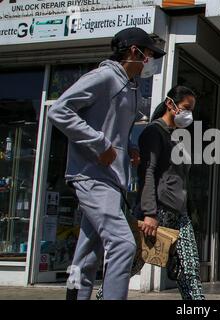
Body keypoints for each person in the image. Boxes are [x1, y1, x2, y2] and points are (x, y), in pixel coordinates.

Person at [47, 27, 166, 300]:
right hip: (91, 177)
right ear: (134, 52)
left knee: (87, 255)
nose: (152, 60)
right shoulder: (104, 77)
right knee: (124, 245)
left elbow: (114, 132)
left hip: (112, 181)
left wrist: (129, 148)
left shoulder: (130, 86)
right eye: (149, 54)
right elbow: (59, 110)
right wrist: (99, 144)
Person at [136, 85, 205, 300]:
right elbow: (148, 171)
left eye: (191, 109)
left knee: (190, 268)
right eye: (185, 107)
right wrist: (149, 212)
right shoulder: (154, 132)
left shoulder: (176, 137)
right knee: (132, 264)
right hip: (159, 212)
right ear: (170, 104)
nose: (188, 114)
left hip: (179, 214)